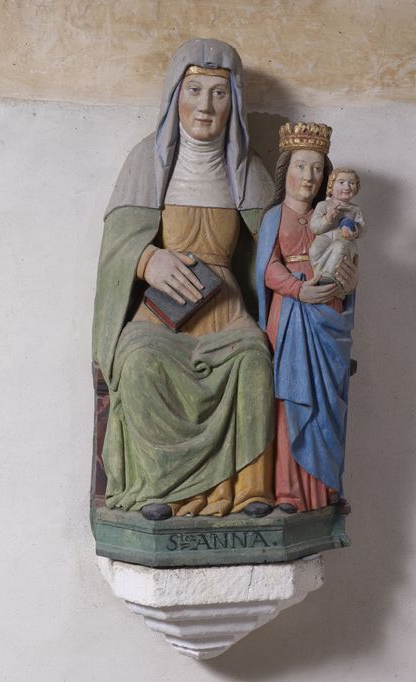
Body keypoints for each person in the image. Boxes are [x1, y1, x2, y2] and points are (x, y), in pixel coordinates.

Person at [92, 39, 275, 521]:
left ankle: (248, 491)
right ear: (175, 95)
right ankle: (159, 489)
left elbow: (280, 248)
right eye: (194, 90)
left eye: (219, 93)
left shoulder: (248, 171)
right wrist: (147, 259)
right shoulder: (145, 162)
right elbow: (116, 247)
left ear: (234, 101)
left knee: (254, 359)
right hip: (163, 310)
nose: (205, 106)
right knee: (138, 360)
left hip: (225, 309)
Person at [256, 121, 358, 513]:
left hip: (328, 311)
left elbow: (348, 260)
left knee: (328, 400)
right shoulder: (273, 218)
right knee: (292, 400)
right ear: (286, 170)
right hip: (290, 315)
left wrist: (349, 279)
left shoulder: (332, 216)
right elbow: (267, 268)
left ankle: (326, 486)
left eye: (317, 169)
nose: (309, 176)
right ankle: (288, 491)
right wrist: (298, 289)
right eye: (301, 166)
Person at [309, 168, 365, 298]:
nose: (347, 187)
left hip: (346, 242)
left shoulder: (355, 210)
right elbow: (314, 227)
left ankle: (329, 278)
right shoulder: (323, 205)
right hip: (326, 238)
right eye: (341, 182)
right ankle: (318, 275)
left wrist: (355, 232)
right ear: (331, 186)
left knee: (339, 247)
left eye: (352, 183)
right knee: (315, 249)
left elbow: (363, 228)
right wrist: (327, 218)